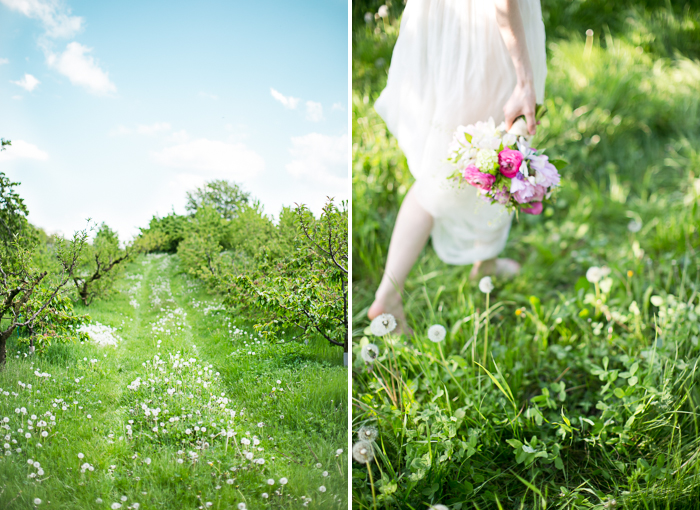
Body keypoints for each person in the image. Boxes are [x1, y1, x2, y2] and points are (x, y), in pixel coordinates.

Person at [368, 0, 548, 330]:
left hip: (449, 20)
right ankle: (388, 296)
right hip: (486, 36)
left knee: (493, 159)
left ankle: (486, 261)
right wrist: (524, 81)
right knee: (485, 159)